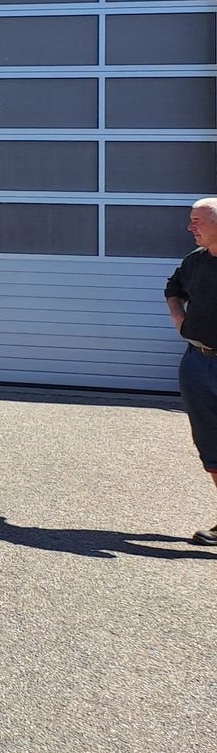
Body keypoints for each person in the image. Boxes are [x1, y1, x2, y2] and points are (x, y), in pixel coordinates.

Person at [163, 197, 217, 545]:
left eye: (198, 221)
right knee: (211, 446)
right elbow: (173, 289)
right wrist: (180, 321)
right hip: (198, 363)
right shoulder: (194, 262)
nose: (190, 227)